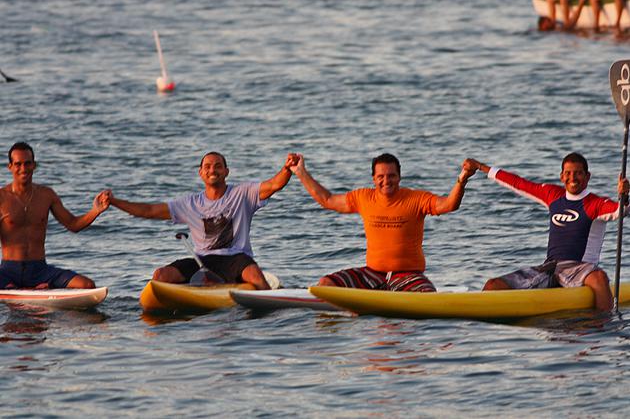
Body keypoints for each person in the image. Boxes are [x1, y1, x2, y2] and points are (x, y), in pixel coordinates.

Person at [105, 152, 299, 290]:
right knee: (160, 276)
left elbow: (274, 184)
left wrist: (287, 169)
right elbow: (148, 210)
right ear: (201, 173)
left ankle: (267, 313)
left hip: (235, 258)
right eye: (207, 166)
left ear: (226, 171)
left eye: (218, 166)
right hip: (202, 261)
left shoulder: (243, 193)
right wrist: (114, 202)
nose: (212, 170)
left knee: (256, 276)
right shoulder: (190, 203)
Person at [289, 153, 477, 292]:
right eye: (381, 176)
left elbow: (449, 204)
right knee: (325, 284)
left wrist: (462, 180)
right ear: (374, 178)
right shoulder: (363, 197)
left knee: (427, 295)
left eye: (391, 176)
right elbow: (327, 200)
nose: (386, 181)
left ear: (399, 177)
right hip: (372, 274)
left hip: (408, 275)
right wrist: (300, 172)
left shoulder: (416, 199)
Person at [467, 153, 629, 311]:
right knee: (493, 285)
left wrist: (625, 196)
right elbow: (518, 183)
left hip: (580, 269)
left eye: (578, 173)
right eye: (568, 173)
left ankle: (605, 325)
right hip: (550, 268)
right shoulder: (552, 195)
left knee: (599, 277)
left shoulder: (596, 204)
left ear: (587, 176)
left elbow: (620, 211)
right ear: (561, 176)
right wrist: (481, 167)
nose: (572, 178)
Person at [0, 142, 110, 289]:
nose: (23, 169)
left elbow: (73, 224)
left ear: (34, 165)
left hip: (39, 270)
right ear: (10, 167)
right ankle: (21, 289)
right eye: (18, 164)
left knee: (87, 285)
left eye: (27, 163)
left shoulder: (46, 195)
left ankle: (27, 289)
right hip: (8, 271)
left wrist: (96, 211)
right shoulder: (2, 198)